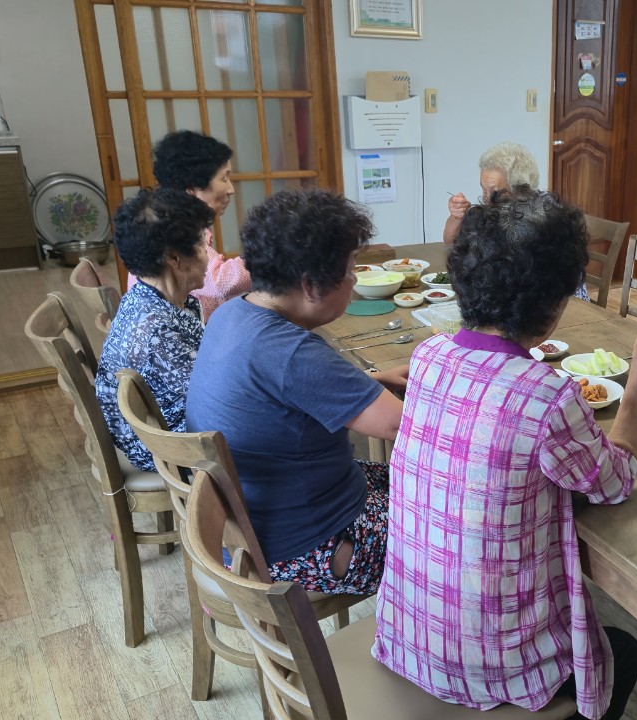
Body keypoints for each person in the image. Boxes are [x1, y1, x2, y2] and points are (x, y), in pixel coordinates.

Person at [373, 191, 637, 720]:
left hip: (409, 634)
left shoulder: (427, 357)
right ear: (556, 303)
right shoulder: (545, 395)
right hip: (490, 668)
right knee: (628, 649)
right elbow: (616, 480)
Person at [185, 189, 406, 595]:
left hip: (263, 517)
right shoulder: (293, 352)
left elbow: (274, 399)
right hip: (314, 542)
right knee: (463, 521)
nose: (356, 279)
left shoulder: (234, 311)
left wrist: (368, 383)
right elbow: (400, 426)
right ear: (310, 285)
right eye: (351, 269)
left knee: (415, 482)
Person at [95, 188, 213, 471]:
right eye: (201, 245)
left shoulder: (150, 297)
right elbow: (218, 397)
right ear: (173, 258)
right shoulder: (159, 330)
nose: (208, 256)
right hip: (162, 446)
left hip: (157, 425)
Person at [144, 130, 250, 321]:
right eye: (224, 179)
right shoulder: (170, 227)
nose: (230, 189)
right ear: (192, 187)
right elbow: (220, 282)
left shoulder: (169, 217)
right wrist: (272, 256)